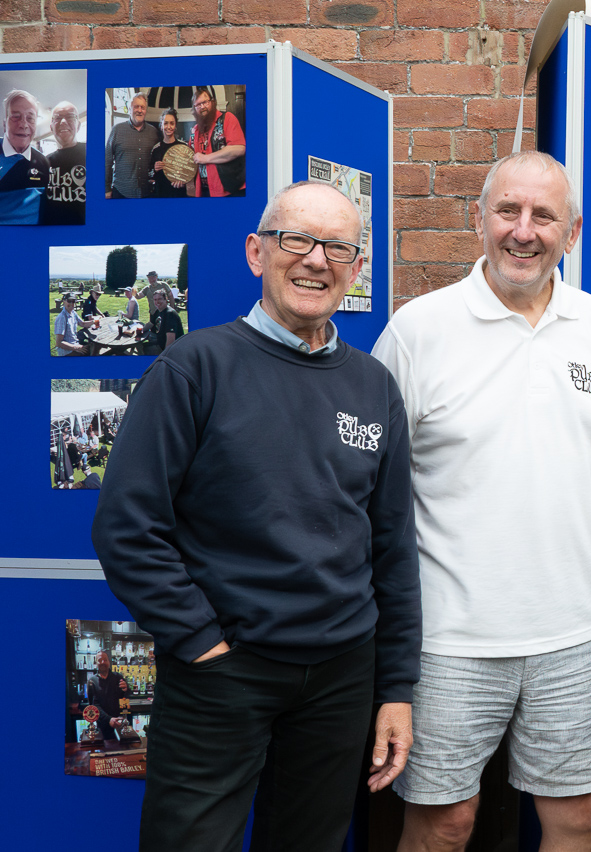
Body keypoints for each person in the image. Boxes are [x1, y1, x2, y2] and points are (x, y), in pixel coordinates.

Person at [91, 180, 417, 850]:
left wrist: (396, 688)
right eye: (296, 239)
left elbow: (392, 547)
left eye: (337, 247)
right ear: (255, 252)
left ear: (355, 269)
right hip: (222, 670)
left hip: (341, 678)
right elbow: (126, 527)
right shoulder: (194, 369)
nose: (316, 260)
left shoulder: (373, 387)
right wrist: (202, 643)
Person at [373, 150, 591, 852]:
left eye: (544, 216)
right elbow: (373, 481)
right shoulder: (417, 330)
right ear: (478, 218)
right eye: (508, 211)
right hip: (448, 638)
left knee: (586, 815)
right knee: (442, 824)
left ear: (574, 231)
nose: (524, 231)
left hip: (573, 634)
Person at [2, 88, 50, 225]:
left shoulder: (43, 163)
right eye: (15, 116)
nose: (23, 124)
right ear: (4, 124)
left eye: (30, 118)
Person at [188, 85, 246, 198]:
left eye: (205, 102)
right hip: (205, 192)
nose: (202, 107)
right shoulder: (194, 131)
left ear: (212, 102)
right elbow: (189, 158)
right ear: (194, 109)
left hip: (230, 191)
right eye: (198, 105)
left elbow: (239, 149)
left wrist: (206, 158)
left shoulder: (227, 119)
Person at [41, 100, 85, 224]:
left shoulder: (94, 155)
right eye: (57, 118)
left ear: (78, 125)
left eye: (70, 116)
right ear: (51, 127)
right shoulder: (44, 162)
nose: (63, 122)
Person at [108, 93, 158, 199]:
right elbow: (107, 160)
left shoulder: (153, 132)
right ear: (129, 109)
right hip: (121, 192)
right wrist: (106, 189)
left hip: (146, 193)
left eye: (142, 107)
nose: (139, 110)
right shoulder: (117, 130)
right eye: (136, 107)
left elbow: (157, 158)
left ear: (146, 111)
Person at [148, 110, 189, 198]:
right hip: (161, 195)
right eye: (166, 123)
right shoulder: (156, 149)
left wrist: (183, 182)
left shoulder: (184, 147)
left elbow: (189, 172)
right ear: (161, 126)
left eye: (172, 123)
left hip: (179, 194)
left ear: (175, 126)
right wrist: (154, 169)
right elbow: (149, 174)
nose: (169, 127)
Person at [140, 288, 184, 357]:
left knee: (142, 350)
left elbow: (171, 339)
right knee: (141, 345)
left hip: (170, 350)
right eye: (155, 300)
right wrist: (141, 330)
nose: (157, 302)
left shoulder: (170, 314)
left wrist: (164, 356)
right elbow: (151, 323)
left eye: (160, 299)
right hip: (159, 341)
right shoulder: (158, 310)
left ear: (165, 299)